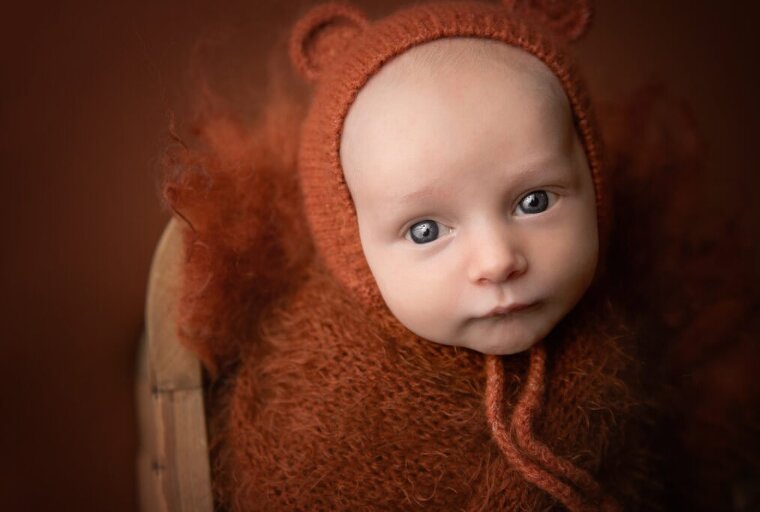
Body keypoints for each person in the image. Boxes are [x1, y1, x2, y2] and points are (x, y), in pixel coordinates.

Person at [163, 1, 661, 510]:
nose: (497, 261)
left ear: (595, 187)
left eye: (534, 202)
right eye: (426, 231)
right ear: (354, 248)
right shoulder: (324, 407)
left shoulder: (631, 333)